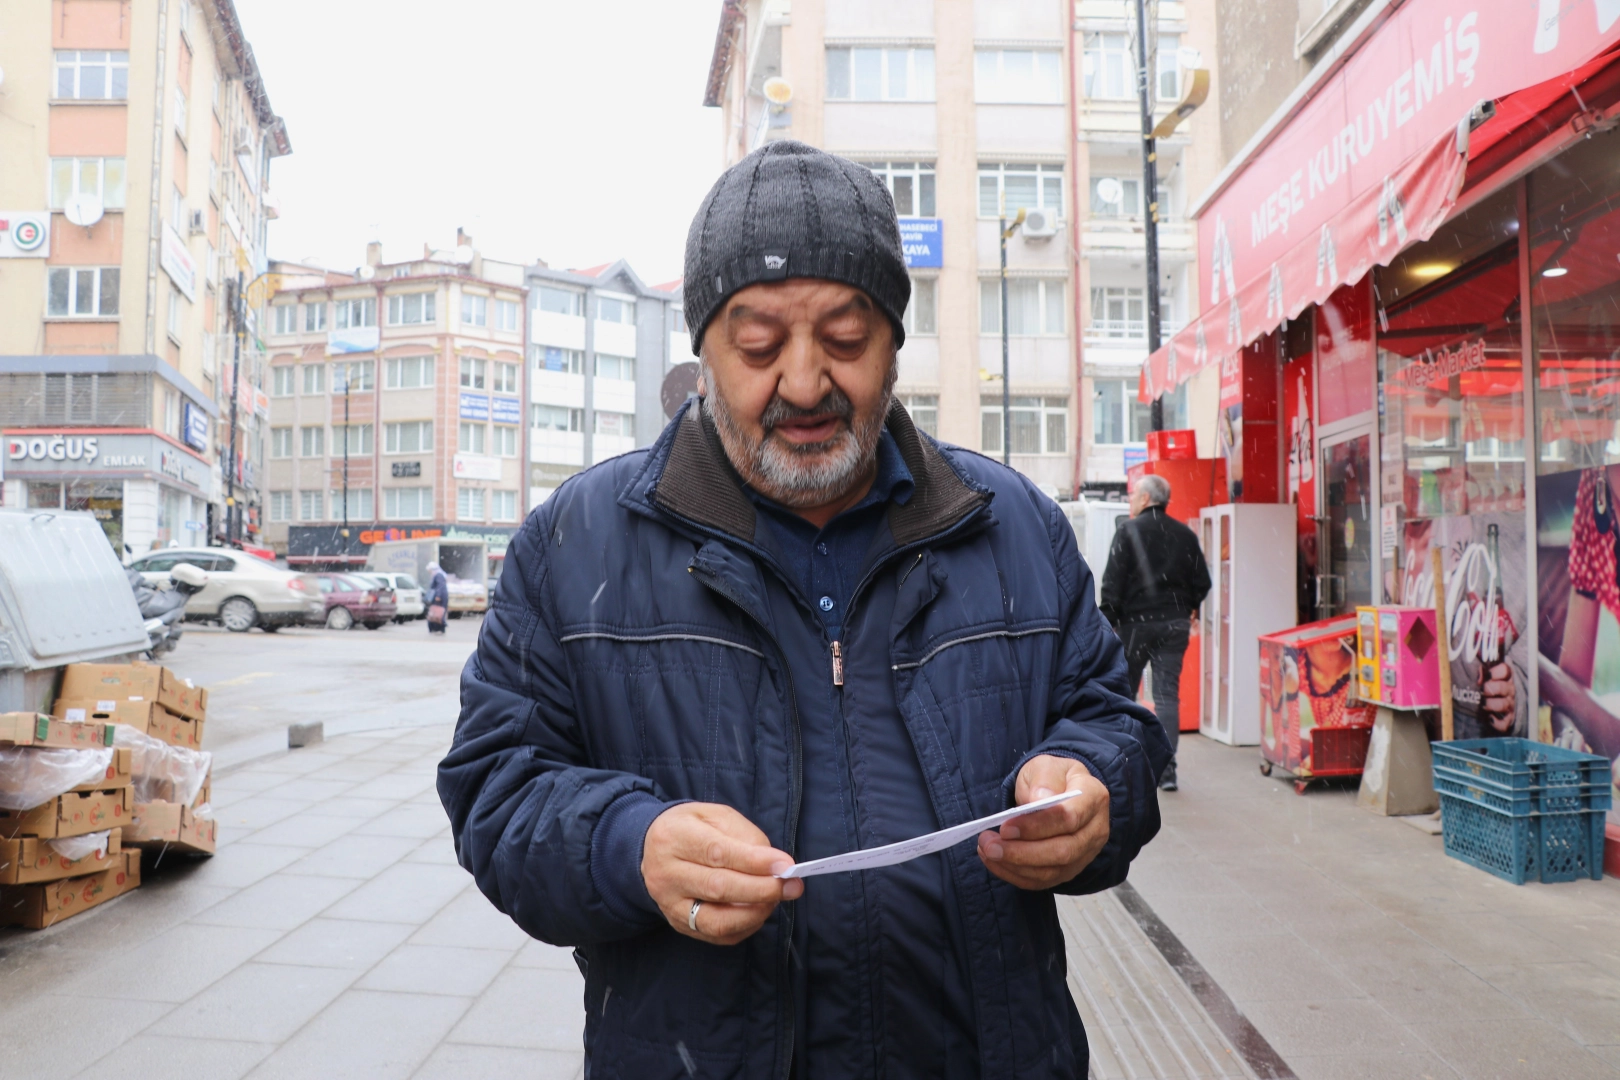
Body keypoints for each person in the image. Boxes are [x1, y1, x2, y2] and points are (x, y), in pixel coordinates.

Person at [439, 140, 1169, 1080]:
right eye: (757, 344)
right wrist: (631, 846)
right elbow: (496, 792)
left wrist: (1093, 786)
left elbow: (1112, 723)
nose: (804, 383)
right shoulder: (574, 543)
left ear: (894, 343)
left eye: (845, 337)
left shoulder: (1013, 526)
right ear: (704, 352)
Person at [1099, 474, 1211, 791]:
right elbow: (1203, 582)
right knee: (1166, 697)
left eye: (1134, 494)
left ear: (1146, 498)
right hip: (1174, 625)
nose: (1131, 500)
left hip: (1135, 625)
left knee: (1124, 694)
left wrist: (1107, 622)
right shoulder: (1185, 534)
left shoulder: (1128, 530)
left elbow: (1112, 584)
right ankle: (1167, 770)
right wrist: (1187, 605)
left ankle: (1124, 764)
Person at [424, 561, 448, 635]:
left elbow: (440, 586)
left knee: (437, 612)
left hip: (440, 597)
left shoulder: (438, 575)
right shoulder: (437, 574)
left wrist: (438, 596)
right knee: (436, 612)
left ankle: (438, 627)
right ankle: (436, 627)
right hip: (439, 596)